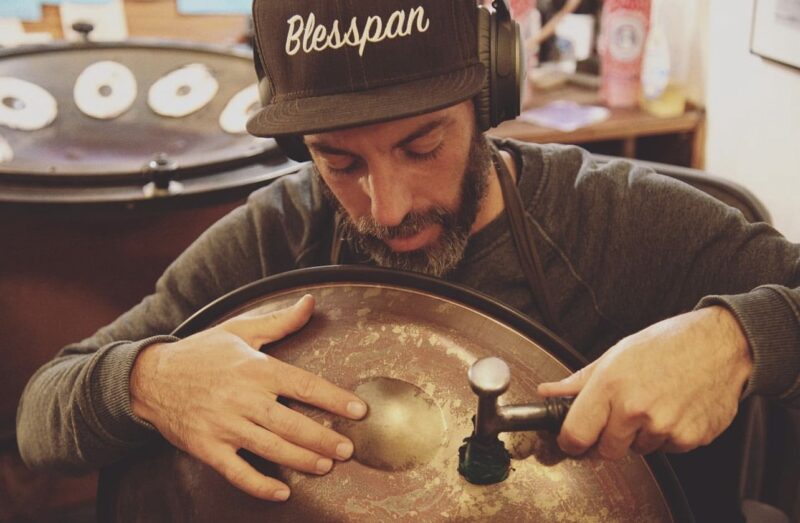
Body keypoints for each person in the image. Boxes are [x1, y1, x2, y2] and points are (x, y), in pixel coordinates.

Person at [16, 0, 799, 519]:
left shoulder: (616, 221)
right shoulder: (278, 232)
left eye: (421, 146)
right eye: (338, 161)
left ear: (487, 98)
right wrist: (148, 380)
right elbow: (40, 414)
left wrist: (737, 339)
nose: (386, 207)